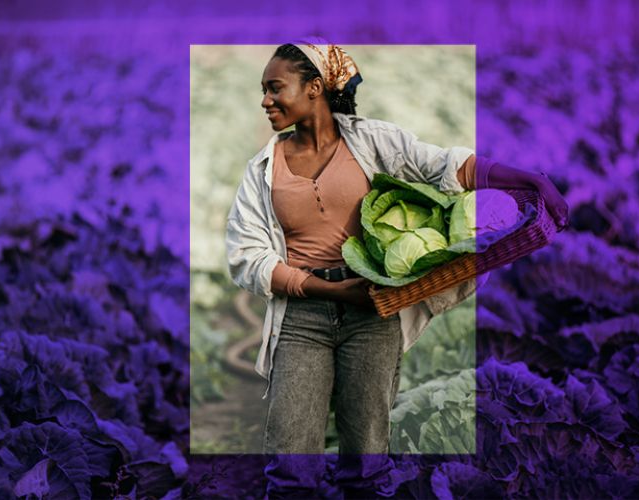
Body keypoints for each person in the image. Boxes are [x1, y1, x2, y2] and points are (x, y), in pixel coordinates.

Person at [223, 40, 568, 496]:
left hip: (373, 313)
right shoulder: (262, 170)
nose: (265, 101)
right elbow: (247, 256)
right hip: (301, 318)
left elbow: (445, 166)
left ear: (314, 88)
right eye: (263, 90)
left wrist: (530, 179)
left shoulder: (372, 141)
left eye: (275, 88)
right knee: (292, 465)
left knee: (366, 460)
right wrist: (327, 290)